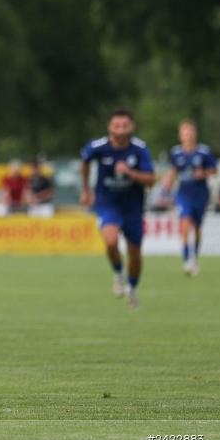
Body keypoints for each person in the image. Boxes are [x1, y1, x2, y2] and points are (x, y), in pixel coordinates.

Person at [81, 109, 155, 308]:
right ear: (109, 127)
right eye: (116, 126)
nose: (120, 130)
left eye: (124, 126)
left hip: (133, 207)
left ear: (131, 127)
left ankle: (132, 288)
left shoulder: (140, 149)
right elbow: (85, 161)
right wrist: (86, 190)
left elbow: (150, 181)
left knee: (135, 254)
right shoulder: (98, 147)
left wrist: (130, 173)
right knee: (111, 241)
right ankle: (118, 272)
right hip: (107, 203)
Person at [162, 120, 217, 276]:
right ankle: (187, 260)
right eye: (185, 133)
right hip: (183, 194)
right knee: (185, 223)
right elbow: (173, 171)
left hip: (200, 194)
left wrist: (204, 173)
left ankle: (195, 256)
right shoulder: (176, 153)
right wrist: (168, 181)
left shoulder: (204, 152)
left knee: (197, 228)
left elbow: (214, 170)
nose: (188, 135)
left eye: (190, 132)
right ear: (180, 135)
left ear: (195, 134)